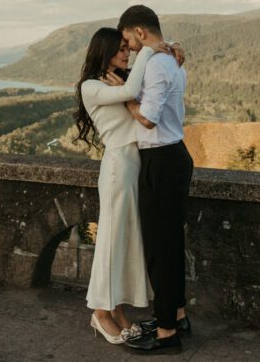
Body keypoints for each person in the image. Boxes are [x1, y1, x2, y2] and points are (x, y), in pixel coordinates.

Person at [74, 28, 159, 344]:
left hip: (132, 167)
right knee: (111, 241)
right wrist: (149, 48)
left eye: (129, 49)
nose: (127, 54)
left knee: (126, 241)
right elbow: (132, 91)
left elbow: (135, 100)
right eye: (121, 49)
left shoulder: (116, 82)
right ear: (105, 51)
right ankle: (100, 313)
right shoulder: (92, 86)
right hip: (118, 169)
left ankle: (118, 310)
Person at [118, 5, 193, 355]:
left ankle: (166, 332)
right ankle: (176, 315)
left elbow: (147, 119)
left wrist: (125, 98)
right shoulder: (171, 59)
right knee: (171, 245)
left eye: (128, 39)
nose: (129, 47)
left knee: (160, 250)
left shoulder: (159, 63)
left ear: (140, 32)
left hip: (161, 160)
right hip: (171, 157)